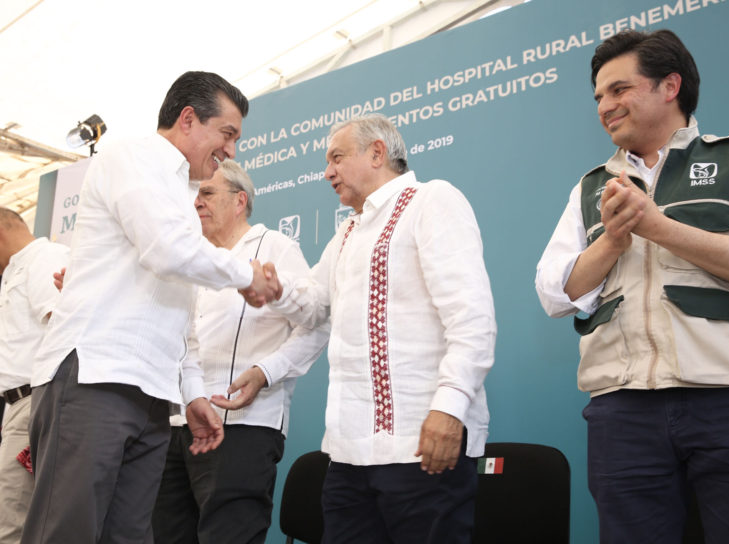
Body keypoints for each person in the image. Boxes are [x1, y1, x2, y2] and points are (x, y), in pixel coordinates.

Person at [535, 29, 729, 543]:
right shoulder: (590, 186)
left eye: (619, 89)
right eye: (598, 96)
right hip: (622, 411)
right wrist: (612, 240)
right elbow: (554, 292)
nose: (604, 106)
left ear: (670, 86)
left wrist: (658, 226)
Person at [22, 71, 270, 544]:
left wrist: (192, 393)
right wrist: (246, 275)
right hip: (95, 378)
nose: (232, 151)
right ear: (188, 119)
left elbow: (178, 312)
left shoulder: (179, 195)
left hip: (153, 396)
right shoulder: (132, 156)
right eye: (228, 134)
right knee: (67, 533)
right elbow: (167, 252)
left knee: (130, 537)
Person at [244, 114, 497, 543]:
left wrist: (450, 408)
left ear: (377, 152)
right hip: (348, 454)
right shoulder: (346, 232)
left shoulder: (432, 201)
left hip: (421, 445)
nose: (327, 172)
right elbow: (313, 307)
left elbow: (471, 318)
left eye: (337, 158)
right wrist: (277, 289)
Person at [152, 159, 327, 544]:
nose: (197, 203)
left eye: (208, 193)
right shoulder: (190, 258)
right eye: (194, 195)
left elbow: (316, 324)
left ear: (239, 201)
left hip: (244, 426)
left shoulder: (275, 247)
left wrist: (266, 371)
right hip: (177, 423)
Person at [0, 209, 68, 544]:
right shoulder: (16, 268)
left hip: (37, 399)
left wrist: (37, 412)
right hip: (21, 405)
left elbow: (66, 329)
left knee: (14, 520)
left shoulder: (45, 258)